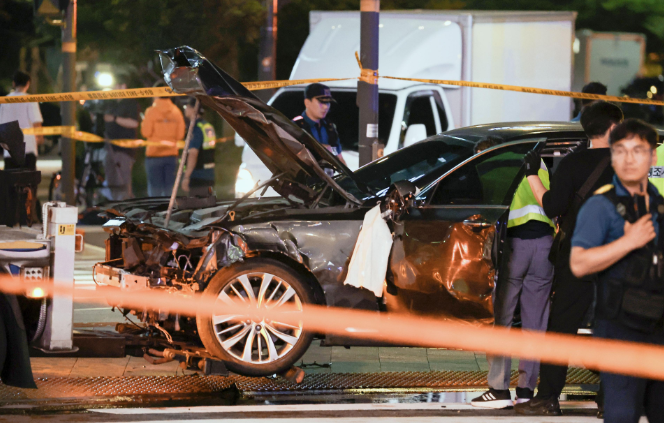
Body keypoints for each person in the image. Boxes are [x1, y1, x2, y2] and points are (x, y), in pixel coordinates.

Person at [515, 101, 623, 416]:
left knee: (562, 328)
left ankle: (547, 397)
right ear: (614, 128)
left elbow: (552, 207)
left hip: (579, 258)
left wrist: (533, 174)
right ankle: (611, 400)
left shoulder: (574, 164)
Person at [570, 119, 664, 422]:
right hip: (619, 328)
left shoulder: (660, 207)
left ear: (653, 157)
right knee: (623, 413)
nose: (629, 159)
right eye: (620, 150)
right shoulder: (601, 206)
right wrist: (627, 242)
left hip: (659, 329)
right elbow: (579, 263)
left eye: (638, 150)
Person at [471, 138, 555, 409]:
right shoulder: (537, 162)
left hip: (514, 246)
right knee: (535, 321)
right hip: (545, 244)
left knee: (502, 318)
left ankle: (498, 389)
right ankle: (527, 389)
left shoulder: (490, 166)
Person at [141, 87, 185, 197]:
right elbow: (180, 135)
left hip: (154, 155)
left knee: (155, 191)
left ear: (155, 94)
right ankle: (169, 212)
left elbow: (145, 132)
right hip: (171, 155)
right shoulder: (176, 112)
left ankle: (156, 213)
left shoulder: (151, 111)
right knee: (170, 191)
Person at [102, 77, 141, 201]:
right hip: (110, 149)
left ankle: (126, 209)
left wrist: (114, 119)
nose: (113, 89)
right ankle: (115, 207)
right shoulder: (112, 103)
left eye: (115, 86)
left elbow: (134, 123)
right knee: (112, 181)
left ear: (123, 86)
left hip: (125, 151)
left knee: (123, 182)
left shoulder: (130, 103)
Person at [293, 83, 346, 166]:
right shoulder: (295, 127)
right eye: (321, 102)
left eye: (328, 102)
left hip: (328, 177)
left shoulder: (329, 127)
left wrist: (350, 178)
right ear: (307, 102)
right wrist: (319, 150)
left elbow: (338, 156)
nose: (326, 107)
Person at [0, 71, 43, 170]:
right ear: (28, 83)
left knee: (11, 182)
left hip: (10, 149)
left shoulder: (4, 100)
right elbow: (36, 122)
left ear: (13, 83)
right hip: (28, 147)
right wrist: (40, 137)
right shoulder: (30, 99)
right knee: (29, 182)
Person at [182, 98, 216, 196]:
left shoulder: (195, 129)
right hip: (209, 176)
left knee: (197, 209)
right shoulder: (207, 126)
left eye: (186, 107)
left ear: (193, 109)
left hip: (197, 177)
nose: (185, 109)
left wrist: (186, 177)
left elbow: (193, 154)